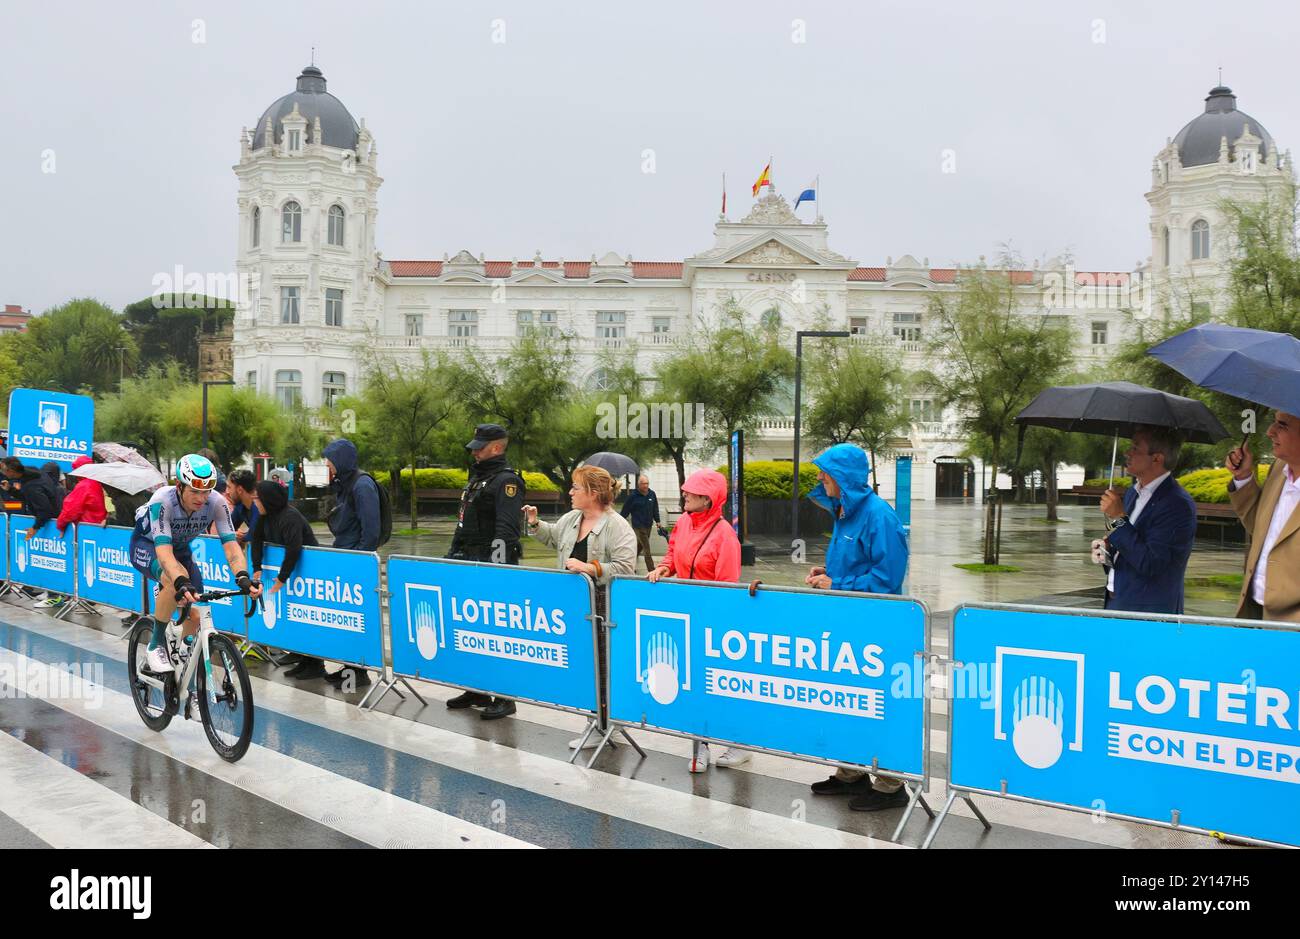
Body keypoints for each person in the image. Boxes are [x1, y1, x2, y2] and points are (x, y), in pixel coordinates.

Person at [803, 443, 911, 812]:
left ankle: (891, 784)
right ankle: (851, 772)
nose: (819, 478)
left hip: (876, 625)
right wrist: (828, 573)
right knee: (848, 699)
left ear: (843, 477)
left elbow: (888, 577)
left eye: (825, 472)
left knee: (880, 702)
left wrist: (839, 585)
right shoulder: (846, 512)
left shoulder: (879, 516)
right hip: (850, 622)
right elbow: (856, 564)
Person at [127, 453, 260, 691]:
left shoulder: (216, 503)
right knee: (171, 578)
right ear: (179, 486)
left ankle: (183, 654)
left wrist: (242, 575)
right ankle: (155, 644)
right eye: (195, 491)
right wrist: (179, 580)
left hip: (181, 550)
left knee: (197, 615)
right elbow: (165, 554)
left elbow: (231, 547)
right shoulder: (163, 501)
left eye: (206, 491)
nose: (202, 498)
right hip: (148, 546)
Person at [524, 465, 637, 746]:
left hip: (603, 604)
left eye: (576, 487)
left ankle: (605, 725)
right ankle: (597, 721)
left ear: (594, 493)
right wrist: (536, 524)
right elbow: (554, 537)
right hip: (575, 604)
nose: (570, 492)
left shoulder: (617, 526)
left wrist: (590, 567)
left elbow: (625, 567)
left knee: (603, 664)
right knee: (586, 663)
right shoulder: (572, 518)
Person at [646, 468, 744, 771]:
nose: (684, 494)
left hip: (713, 621)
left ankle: (737, 743)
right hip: (686, 616)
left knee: (720, 684)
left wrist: (713, 621)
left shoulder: (725, 534)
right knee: (694, 684)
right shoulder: (685, 523)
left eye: (691, 491)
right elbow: (673, 554)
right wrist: (664, 568)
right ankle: (699, 747)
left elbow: (727, 585)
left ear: (708, 499)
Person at [445, 423, 525, 719]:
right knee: (470, 630)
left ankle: (505, 697)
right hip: (469, 562)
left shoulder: (506, 481)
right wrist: (452, 555)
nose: (474, 451)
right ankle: (476, 688)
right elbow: (464, 521)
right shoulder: (477, 478)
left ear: (496, 447)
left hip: (492, 568)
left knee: (497, 633)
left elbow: (506, 529)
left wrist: (497, 570)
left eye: (480, 446)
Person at [296, 438, 380, 685]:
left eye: (330, 461)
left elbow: (371, 530)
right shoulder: (345, 483)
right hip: (345, 555)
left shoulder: (362, 485)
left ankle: (359, 671)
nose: (327, 465)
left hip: (355, 560)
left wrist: (359, 560)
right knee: (347, 618)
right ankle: (349, 668)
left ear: (341, 460)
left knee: (358, 618)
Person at [1095, 426, 1197, 614]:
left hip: (1148, 612)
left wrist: (1117, 517)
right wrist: (1107, 548)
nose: (1127, 452)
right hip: (1116, 601)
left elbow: (1151, 563)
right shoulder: (1133, 493)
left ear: (1157, 458)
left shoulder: (1176, 504)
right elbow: (1124, 535)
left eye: (1135, 448)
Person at [1226, 411, 1300, 621]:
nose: (1270, 432)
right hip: (1254, 613)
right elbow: (1259, 529)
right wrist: (1243, 477)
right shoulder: (1278, 470)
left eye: (1282, 426)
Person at [2, 458, 67, 605]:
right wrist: (11, 490)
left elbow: (45, 510)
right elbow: (27, 496)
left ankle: (55, 597)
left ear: (11, 471)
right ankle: (51, 592)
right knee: (45, 560)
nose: (2, 472)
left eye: (3, 469)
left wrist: (35, 527)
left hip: (51, 523)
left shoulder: (32, 485)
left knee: (52, 561)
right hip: (51, 522)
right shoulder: (30, 473)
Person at [250, 479, 318, 599]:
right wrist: (256, 567)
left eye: (256, 499)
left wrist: (282, 578)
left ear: (267, 500)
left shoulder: (289, 517)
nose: (254, 503)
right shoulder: (265, 516)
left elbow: (293, 549)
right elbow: (256, 539)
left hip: (311, 565)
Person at [620, 474, 665, 573]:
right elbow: (625, 511)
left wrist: (657, 521)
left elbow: (655, 508)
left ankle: (628, 564)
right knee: (647, 549)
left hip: (648, 525)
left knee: (639, 547)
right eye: (643, 484)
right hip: (638, 526)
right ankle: (652, 571)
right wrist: (620, 523)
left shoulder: (652, 494)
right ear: (638, 485)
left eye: (647, 483)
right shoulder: (633, 496)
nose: (645, 486)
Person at [57, 455, 108, 534]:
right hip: (98, 526)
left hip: (85, 529)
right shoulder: (96, 483)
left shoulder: (84, 485)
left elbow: (71, 509)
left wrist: (60, 525)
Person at [225, 469, 260, 546]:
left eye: (229, 487)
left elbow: (253, 536)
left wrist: (239, 537)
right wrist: (234, 535)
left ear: (240, 490)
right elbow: (226, 528)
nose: (227, 492)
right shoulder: (240, 506)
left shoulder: (259, 507)